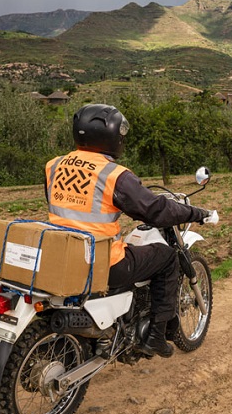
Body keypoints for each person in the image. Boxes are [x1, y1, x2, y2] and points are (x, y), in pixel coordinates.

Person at [45, 104, 210, 358]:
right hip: (103, 263)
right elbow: (155, 210)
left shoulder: (53, 166)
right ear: (111, 136)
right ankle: (155, 337)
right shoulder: (113, 175)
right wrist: (195, 213)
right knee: (167, 258)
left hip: (64, 257)